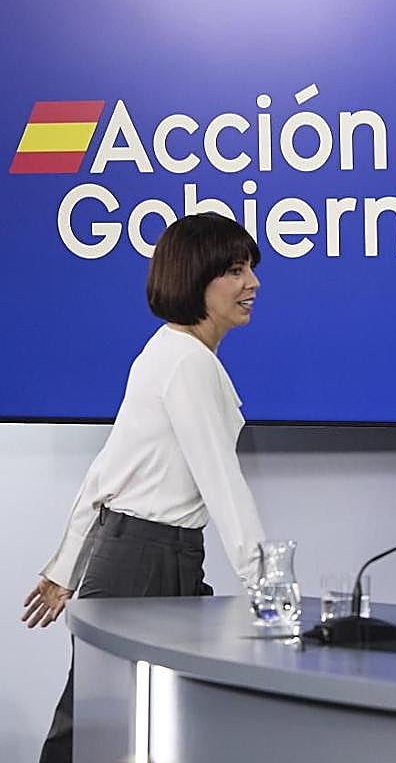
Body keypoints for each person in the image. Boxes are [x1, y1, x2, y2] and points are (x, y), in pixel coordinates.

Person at [23, 213, 268, 763]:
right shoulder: (186, 363)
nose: (252, 283)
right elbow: (222, 484)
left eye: (251, 267)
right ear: (193, 279)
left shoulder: (172, 351)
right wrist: (268, 586)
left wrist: (67, 568)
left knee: (130, 728)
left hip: (148, 556)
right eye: (234, 270)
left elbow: (107, 472)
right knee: (95, 730)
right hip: (143, 562)